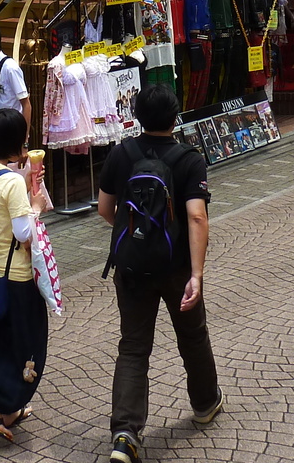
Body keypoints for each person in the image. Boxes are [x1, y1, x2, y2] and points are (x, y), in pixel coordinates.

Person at [98, 84, 221, 463]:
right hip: (176, 266)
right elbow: (196, 215)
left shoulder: (121, 153)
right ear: (175, 116)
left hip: (132, 266)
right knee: (193, 336)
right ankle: (204, 405)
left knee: (133, 347)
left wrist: (136, 237)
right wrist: (196, 274)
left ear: (137, 116)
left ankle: (125, 433)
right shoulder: (189, 158)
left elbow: (105, 209)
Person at [0, 108, 49, 442]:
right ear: (15, 144)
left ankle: (8, 406)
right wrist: (36, 204)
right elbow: (23, 232)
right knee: (29, 342)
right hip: (15, 274)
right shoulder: (12, 182)